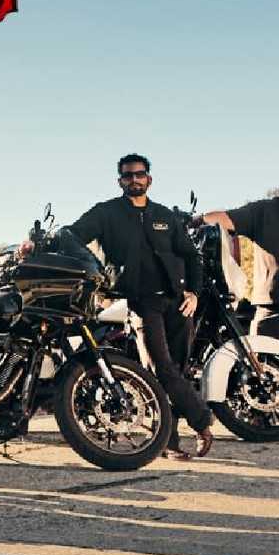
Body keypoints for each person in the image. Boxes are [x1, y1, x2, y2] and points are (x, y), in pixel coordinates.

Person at [47, 154, 214, 459]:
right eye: (127, 175)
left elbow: (191, 256)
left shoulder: (165, 216)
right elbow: (71, 234)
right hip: (142, 302)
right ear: (120, 180)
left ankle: (169, 441)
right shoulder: (106, 213)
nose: (134, 179)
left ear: (149, 178)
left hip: (177, 303)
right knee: (160, 367)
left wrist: (194, 292)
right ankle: (202, 423)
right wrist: (42, 244)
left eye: (139, 174)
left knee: (176, 370)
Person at [195, 162, 279, 434]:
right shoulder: (264, 211)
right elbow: (228, 218)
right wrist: (197, 220)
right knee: (265, 363)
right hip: (270, 305)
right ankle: (261, 414)